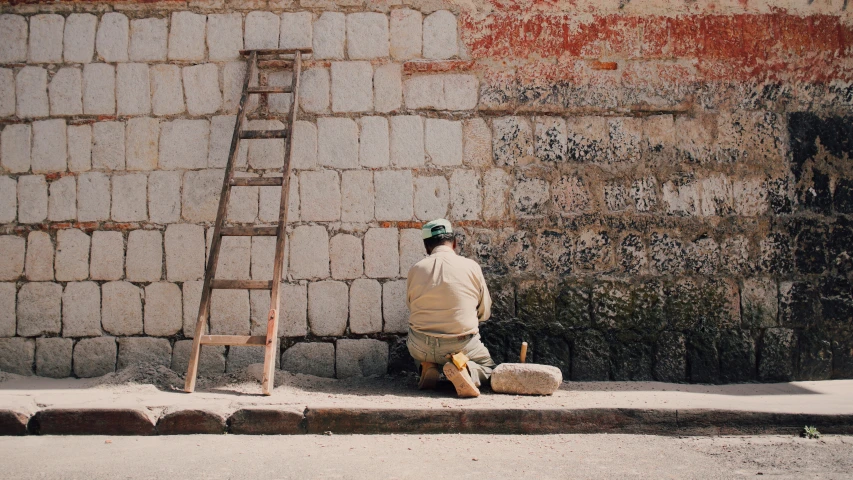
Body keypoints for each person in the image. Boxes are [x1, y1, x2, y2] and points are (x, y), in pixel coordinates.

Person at [405, 219, 496, 398]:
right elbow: (484, 312)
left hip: (421, 345)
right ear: (454, 243)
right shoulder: (472, 267)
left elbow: (411, 307)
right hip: (461, 344)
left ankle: (427, 366)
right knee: (489, 367)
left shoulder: (416, 269)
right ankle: (465, 370)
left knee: (416, 342)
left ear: (426, 247)